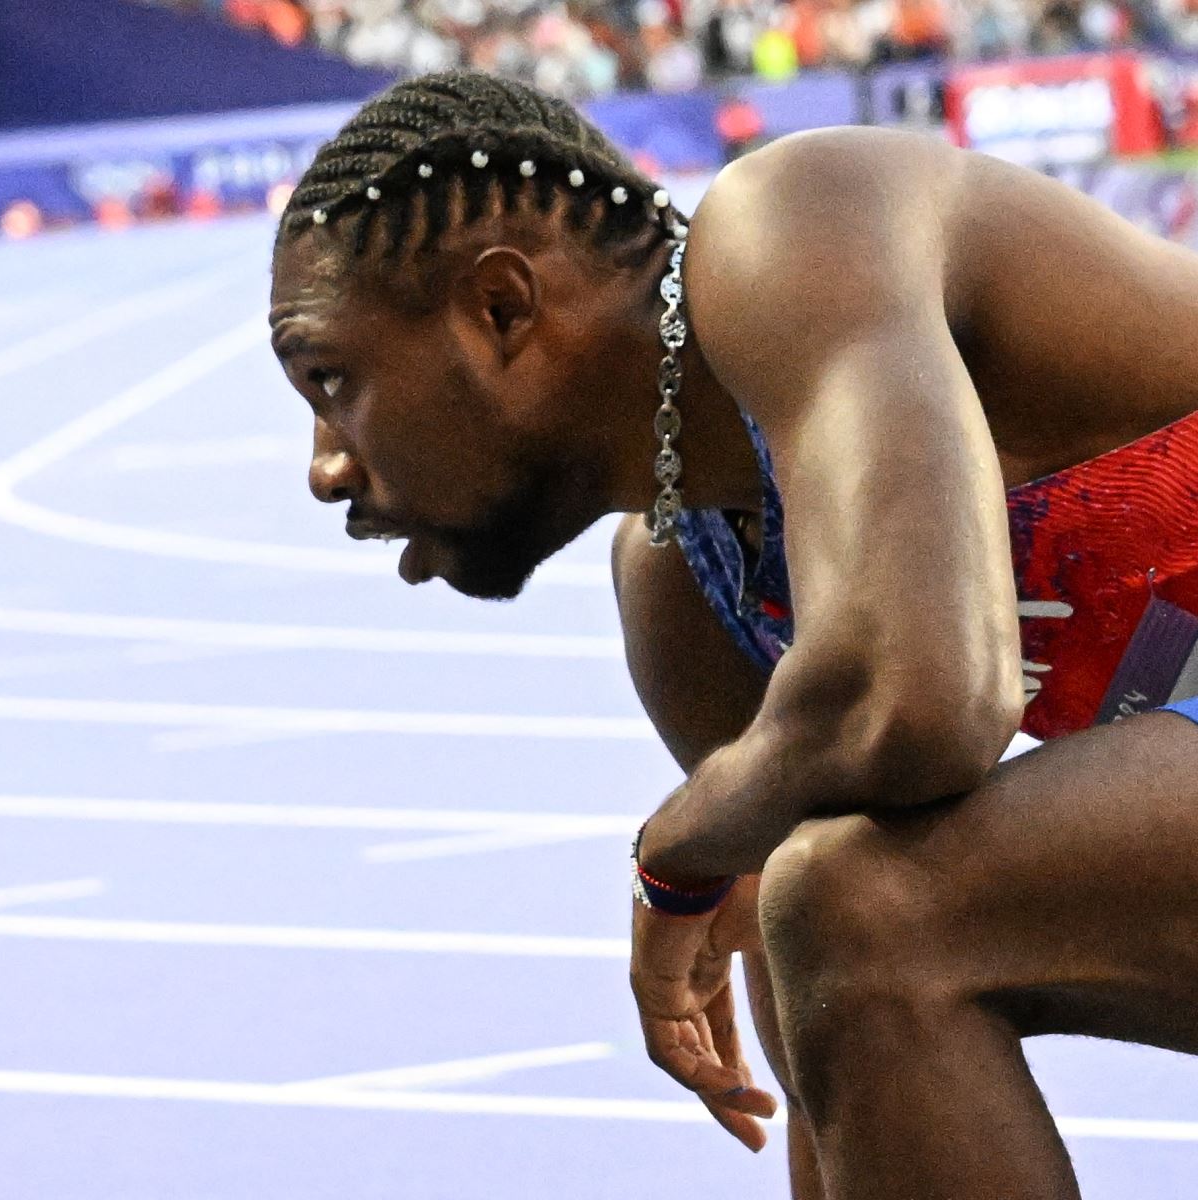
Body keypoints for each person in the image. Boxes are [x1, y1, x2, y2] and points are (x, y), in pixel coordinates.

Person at [267, 70, 1198, 1199]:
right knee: (841, 915)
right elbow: (839, 1058)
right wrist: (717, 853)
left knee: (857, 905)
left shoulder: (789, 225)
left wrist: (676, 850)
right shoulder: (683, 585)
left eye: (332, 379)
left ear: (502, 308)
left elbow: (919, 698)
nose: (324, 468)